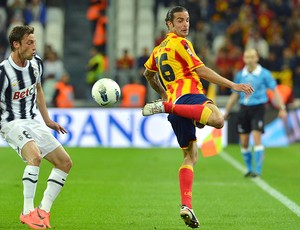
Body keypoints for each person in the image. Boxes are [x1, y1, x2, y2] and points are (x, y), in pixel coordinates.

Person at [142, 6, 254, 229]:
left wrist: (164, 93)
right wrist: (233, 85)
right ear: (169, 25)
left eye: (187, 20)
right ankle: (166, 107)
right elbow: (201, 70)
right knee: (219, 120)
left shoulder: (157, 51)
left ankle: (186, 206)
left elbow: (148, 74)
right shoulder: (181, 43)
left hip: (176, 102)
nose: (185, 25)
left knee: (191, 157)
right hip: (189, 97)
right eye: (180, 21)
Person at [0, 25, 72, 229]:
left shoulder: (36, 64)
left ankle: (43, 211)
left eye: (34, 42)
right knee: (35, 157)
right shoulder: (3, 72)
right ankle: (27, 211)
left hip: (32, 120)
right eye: (29, 43)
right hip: (10, 122)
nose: (34, 47)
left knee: (65, 162)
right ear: (16, 45)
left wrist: (47, 119)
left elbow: (38, 88)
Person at [223, 48, 287, 178]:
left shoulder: (264, 74)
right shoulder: (240, 75)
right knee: (244, 141)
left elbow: (275, 91)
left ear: (257, 58)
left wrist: (282, 108)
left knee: (257, 138)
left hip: (258, 108)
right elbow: (234, 95)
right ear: (244, 59)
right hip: (244, 108)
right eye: (247, 57)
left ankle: (257, 171)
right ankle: (249, 168)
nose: (250, 60)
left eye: (252, 57)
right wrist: (227, 111)